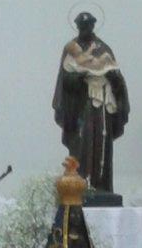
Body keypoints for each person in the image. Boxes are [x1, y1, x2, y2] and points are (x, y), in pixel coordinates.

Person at [52, 13, 129, 195]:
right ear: (77, 27)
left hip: (102, 104)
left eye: (88, 26)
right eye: (82, 26)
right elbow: (65, 81)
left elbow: (117, 79)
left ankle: (101, 185)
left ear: (93, 26)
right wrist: (81, 76)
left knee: (102, 139)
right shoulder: (71, 48)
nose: (85, 29)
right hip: (81, 105)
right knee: (83, 140)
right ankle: (81, 184)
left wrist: (113, 77)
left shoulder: (104, 48)